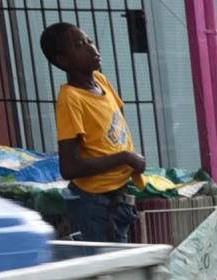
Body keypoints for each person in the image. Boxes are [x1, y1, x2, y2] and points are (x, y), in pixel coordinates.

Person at [41, 23, 145, 243]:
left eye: (90, 41)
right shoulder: (71, 100)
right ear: (63, 60)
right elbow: (69, 167)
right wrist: (125, 158)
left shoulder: (101, 80)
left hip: (118, 196)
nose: (92, 49)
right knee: (109, 270)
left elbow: (112, 128)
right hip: (96, 203)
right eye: (80, 45)